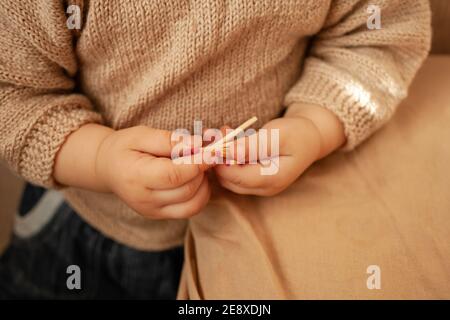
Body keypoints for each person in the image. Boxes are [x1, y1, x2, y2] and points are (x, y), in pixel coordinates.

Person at [0, 0, 431, 299]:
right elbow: (15, 96)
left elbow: (377, 39)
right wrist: (99, 159)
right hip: (85, 224)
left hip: (255, 230)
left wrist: (312, 127)